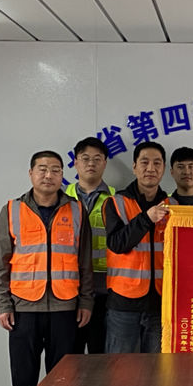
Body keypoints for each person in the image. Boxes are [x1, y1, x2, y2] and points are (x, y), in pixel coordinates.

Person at [0, 150, 93, 386]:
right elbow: (1, 263)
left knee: (64, 383)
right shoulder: (12, 210)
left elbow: (85, 262)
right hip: (23, 309)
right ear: (31, 173)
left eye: (56, 170)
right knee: (23, 385)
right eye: (43, 169)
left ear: (62, 175)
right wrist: (4, 304)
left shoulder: (77, 210)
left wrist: (86, 302)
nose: (49, 175)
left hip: (65, 308)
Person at [103, 141, 176, 353]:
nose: (151, 168)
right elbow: (117, 244)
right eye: (144, 162)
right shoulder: (115, 203)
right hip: (123, 304)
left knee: (157, 368)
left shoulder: (174, 206)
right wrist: (146, 219)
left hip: (161, 303)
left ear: (164, 168)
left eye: (157, 163)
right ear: (134, 167)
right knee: (121, 368)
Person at [65, 137, 115, 354]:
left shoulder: (116, 198)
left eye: (97, 159)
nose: (91, 164)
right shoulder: (61, 197)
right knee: (70, 354)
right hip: (68, 287)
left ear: (105, 163)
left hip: (105, 288)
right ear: (75, 162)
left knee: (101, 354)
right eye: (85, 158)